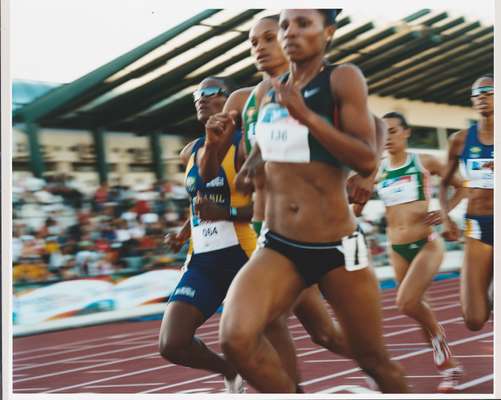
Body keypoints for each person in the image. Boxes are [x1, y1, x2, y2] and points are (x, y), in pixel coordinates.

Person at [212, 9, 409, 393]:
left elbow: (367, 155)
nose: (290, 33)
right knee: (235, 338)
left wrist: (309, 118)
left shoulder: (341, 78)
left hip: (337, 246)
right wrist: (252, 163)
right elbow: (267, 143)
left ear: (328, 33)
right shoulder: (268, 92)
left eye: (303, 24)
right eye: (285, 25)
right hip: (279, 243)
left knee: (374, 360)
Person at [158, 76, 256, 393]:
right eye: (197, 94)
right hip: (203, 261)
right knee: (172, 343)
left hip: (246, 258)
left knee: (261, 340)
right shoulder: (190, 152)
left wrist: (225, 213)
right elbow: (198, 202)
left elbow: (271, 207)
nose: (202, 97)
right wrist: (184, 232)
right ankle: (229, 371)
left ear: (229, 101)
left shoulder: (245, 146)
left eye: (212, 92)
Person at [375, 111, 464, 393]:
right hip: (395, 247)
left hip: (426, 242)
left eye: (392, 131)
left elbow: (462, 185)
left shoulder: (423, 161)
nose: (386, 137)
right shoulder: (378, 169)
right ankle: (449, 369)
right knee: (416, 307)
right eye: (382, 132)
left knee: (406, 303)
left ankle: (440, 340)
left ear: (406, 132)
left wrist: (445, 211)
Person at [439, 74, 494, 332]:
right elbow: (443, 183)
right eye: (477, 94)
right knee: (474, 320)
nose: (482, 97)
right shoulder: (460, 140)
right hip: (477, 227)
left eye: (489, 92)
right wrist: (446, 215)